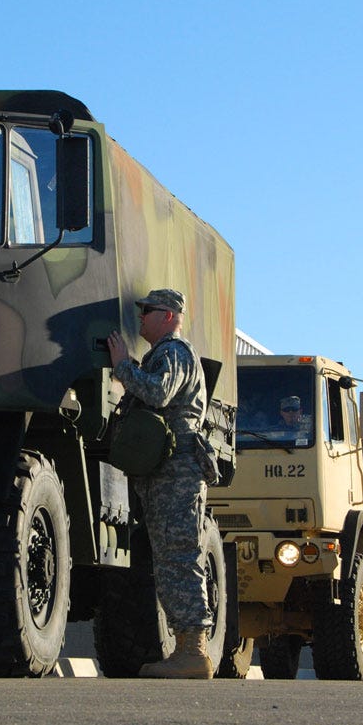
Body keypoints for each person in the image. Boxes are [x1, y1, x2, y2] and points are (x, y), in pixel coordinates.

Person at [106, 288, 214, 679]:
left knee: (179, 556)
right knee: (170, 558)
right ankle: (187, 649)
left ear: (168, 315)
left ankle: (194, 651)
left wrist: (123, 366)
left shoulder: (174, 353)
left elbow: (158, 391)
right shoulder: (164, 354)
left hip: (177, 471)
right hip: (167, 470)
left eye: (148, 311)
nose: (141, 318)